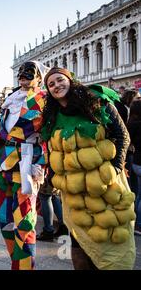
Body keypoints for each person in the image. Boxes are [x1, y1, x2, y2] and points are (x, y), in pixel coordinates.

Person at [42, 67, 135, 270]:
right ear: (48, 91)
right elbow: (51, 150)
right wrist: (52, 177)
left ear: (70, 80)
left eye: (60, 80)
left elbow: (122, 136)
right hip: (73, 193)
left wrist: (115, 168)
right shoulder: (51, 116)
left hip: (105, 186)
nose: (57, 85)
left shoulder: (96, 101)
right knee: (79, 240)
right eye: (51, 84)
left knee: (110, 234)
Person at [0, 61, 48, 270]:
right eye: (21, 72)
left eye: (29, 72)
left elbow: (50, 135)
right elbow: (0, 131)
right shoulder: (9, 99)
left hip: (26, 165)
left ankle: (24, 267)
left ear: (39, 77)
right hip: (1, 164)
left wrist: (41, 164)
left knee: (25, 222)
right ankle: (16, 262)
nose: (23, 75)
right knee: (4, 220)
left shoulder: (44, 100)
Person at [36, 166, 68, 241]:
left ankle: (48, 231)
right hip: (57, 170)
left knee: (45, 196)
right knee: (53, 196)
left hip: (49, 170)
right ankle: (63, 227)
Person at [127, 99, 141, 236]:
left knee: (137, 193)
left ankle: (135, 220)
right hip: (138, 161)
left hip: (136, 161)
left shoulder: (130, 123)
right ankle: (138, 224)